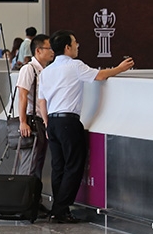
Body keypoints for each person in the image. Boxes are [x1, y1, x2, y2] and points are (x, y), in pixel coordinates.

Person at [38, 30, 133, 223]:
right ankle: (61, 209)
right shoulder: (75, 66)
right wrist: (120, 68)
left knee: (58, 166)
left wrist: (47, 123)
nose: (78, 45)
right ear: (67, 47)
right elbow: (100, 76)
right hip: (68, 122)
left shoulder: (46, 71)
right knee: (73, 165)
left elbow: (42, 101)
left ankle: (58, 208)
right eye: (75, 42)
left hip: (53, 122)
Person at [14, 34, 54, 180]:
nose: (52, 51)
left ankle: (33, 199)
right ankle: (23, 199)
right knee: (29, 163)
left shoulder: (44, 70)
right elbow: (22, 95)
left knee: (38, 163)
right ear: (38, 50)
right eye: (48, 48)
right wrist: (23, 122)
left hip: (42, 121)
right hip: (32, 122)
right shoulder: (28, 69)